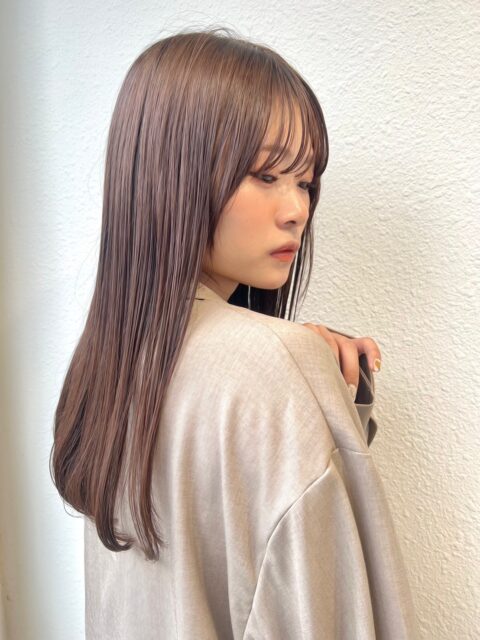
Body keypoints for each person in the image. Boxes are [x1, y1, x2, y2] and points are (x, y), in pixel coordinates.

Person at [50, 26, 419, 639]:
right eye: (265, 175)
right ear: (172, 173)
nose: (297, 210)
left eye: (305, 181)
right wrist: (296, 370)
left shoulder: (109, 366)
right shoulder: (275, 364)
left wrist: (323, 385)